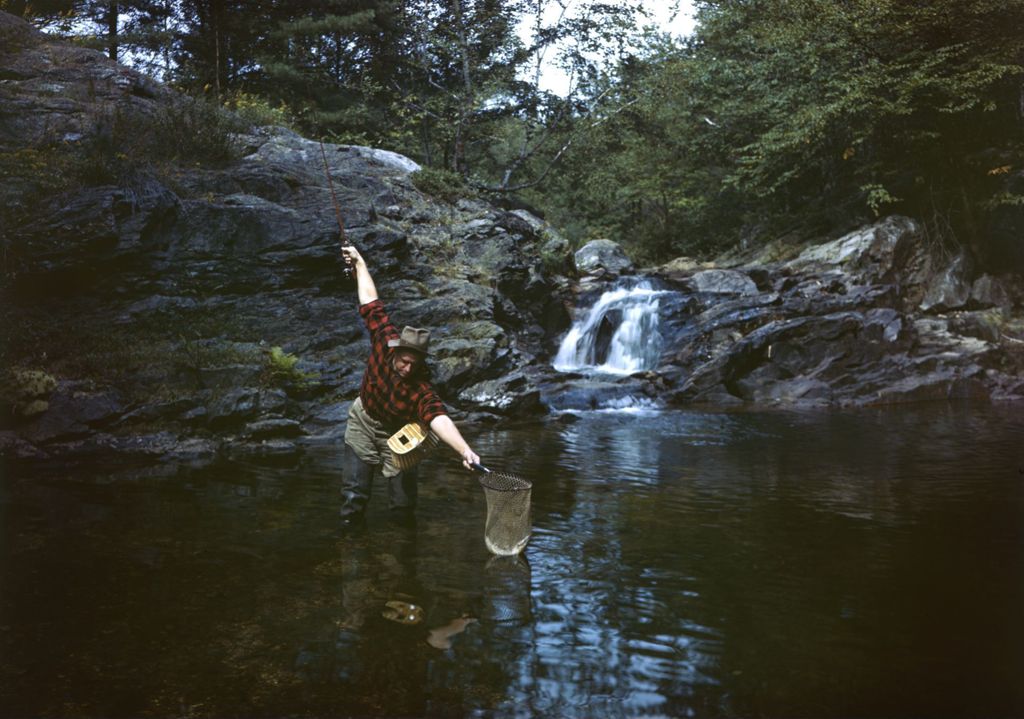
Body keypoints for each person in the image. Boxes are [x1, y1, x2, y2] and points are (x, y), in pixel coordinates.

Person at [339, 244, 480, 525]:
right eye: (404, 362)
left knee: (403, 509)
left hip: (401, 435)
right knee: (353, 498)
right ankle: (349, 553)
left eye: (414, 364)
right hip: (363, 422)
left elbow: (438, 417)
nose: (407, 368)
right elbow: (370, 302)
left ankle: (402, 563)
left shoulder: (420, 387)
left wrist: (465, 450)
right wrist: (359, 262)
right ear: (396, 350)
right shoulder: (383, 342)